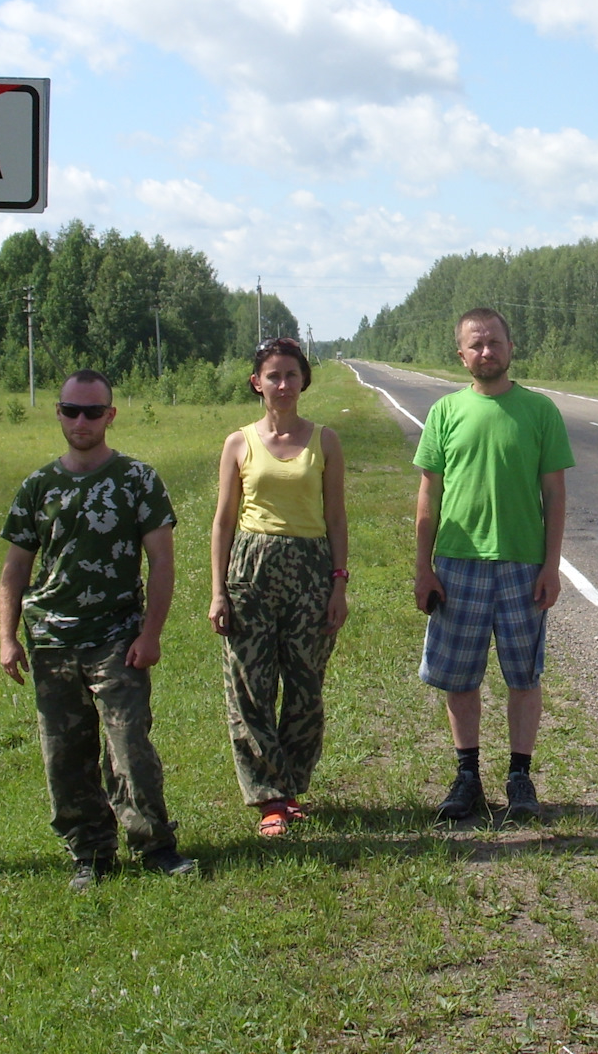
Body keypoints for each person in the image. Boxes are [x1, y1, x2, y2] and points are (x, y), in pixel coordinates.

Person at [0, 369, 194, 889]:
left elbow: (162, 564)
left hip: (117, 636)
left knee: (129, 745)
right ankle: (90, 852)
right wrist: (7, 637)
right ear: (58, 414)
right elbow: (15, 569)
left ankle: (155, 846)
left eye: (91, 411)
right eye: (70, 410)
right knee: (64, 753)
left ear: (110, 415)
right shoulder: (39, 487)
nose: (79, 421)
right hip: (52, 639)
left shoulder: (138, 480)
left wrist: (150, 634)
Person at [413, 308, 573, 822]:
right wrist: (423, 567)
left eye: (495, 342)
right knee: (460, 678)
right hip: (457, 564)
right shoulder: (445, 412)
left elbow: (554, 493)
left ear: (510, 347)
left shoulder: (540, 411)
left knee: (523, 676)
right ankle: (467, 778)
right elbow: (428, 497)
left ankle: (520, 779)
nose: (486, 352)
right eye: (475, 344)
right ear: (461, 354)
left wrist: (552, 565)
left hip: (523, 566)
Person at [209, 336, 350, 837]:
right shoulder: (239, 442)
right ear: (257, 383)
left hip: (311, 571)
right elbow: (223, 521)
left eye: (292, 374)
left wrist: (338, 583)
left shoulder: (324, 440)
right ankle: (270, 798)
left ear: (303, 380)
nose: (283, 384)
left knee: (306, 686)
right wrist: (218, 590)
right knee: (251, 686)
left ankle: (290, 788)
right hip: (251, 570)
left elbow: (335, 516)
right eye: (273, 376)